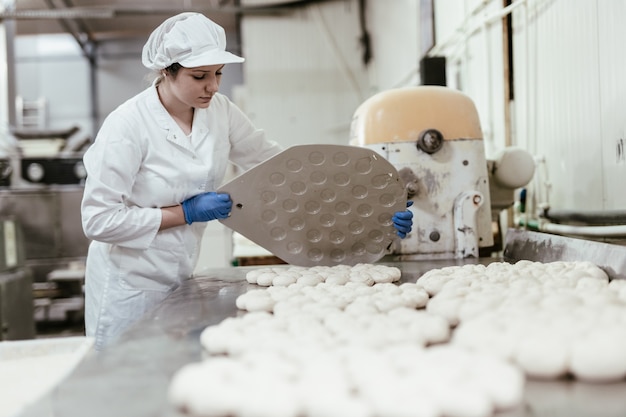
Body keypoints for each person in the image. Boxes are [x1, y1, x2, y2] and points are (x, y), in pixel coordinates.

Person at [81, 12, 413, 351]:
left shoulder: (220, 111)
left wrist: (372, 205)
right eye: (199, 76)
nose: (212, 86)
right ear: (167, 71)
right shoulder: (127, 126)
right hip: (128, 284)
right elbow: (98, 220)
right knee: (128, 377)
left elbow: (280, 166)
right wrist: (186, 213)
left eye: (218, 74)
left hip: (180, 275)